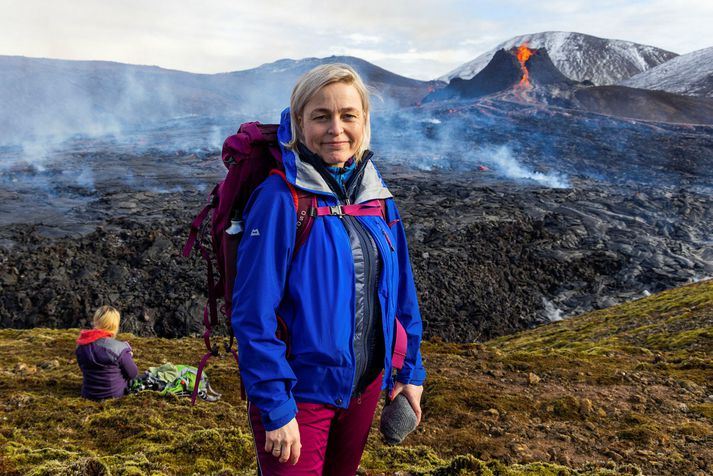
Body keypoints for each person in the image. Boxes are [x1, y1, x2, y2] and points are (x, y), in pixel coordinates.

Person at [232, 63, 426, 475]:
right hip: (299, 395)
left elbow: (402, 296)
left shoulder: (377, 197)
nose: (336, 128)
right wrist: (276, 407)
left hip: (365, 389)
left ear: (364, 122)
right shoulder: (279, 200)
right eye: (321, 116)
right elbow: (252, 315)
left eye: (348, 115)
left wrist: (410, 372)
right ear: (299, 123)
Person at [76, 305, 138, 400]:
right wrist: (128, 355)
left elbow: (84, 369)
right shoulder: (119, 348)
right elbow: (133, 374)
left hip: (88, 395)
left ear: (96, 321)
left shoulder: (81, 346)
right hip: (114, 395)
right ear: (115, 325)